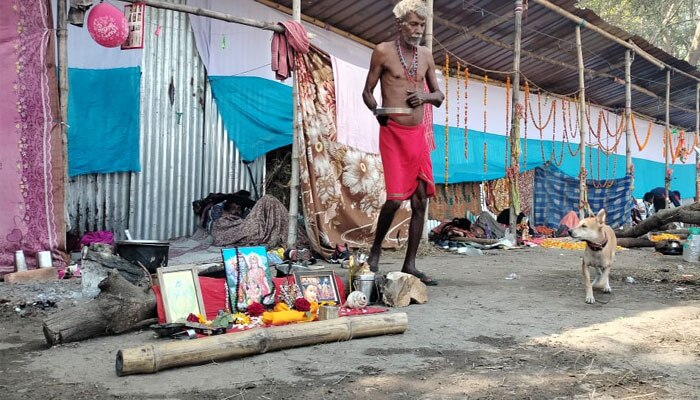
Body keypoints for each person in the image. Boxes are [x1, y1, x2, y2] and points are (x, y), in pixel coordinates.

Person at [362, 0, 444, 286]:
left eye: (421, 25)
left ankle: (410, 264)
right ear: (400, 25)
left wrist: (424, 97)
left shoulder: (426, 55)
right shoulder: (383, 51)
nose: (417, 30)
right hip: (393, 133)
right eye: (412, 24)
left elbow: (439, 96)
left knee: (421, 201)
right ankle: (374, 253)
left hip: (417, 135)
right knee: (396, 198)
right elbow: (367, 92)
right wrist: (377, 113)